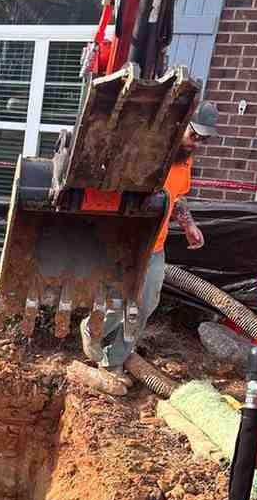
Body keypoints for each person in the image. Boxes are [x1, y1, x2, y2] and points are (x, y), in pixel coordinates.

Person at [80, 100, 219, 388]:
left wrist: (189, 224)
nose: (196, 144)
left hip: (155, 247)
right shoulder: (151, 152)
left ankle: (113, 360)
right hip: (126, 243)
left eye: (203, 140)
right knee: (118, 303)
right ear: (181, 125)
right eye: (194, 136)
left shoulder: (185, 160)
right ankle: (91, 329)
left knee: (144, 306)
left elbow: (177, 197)